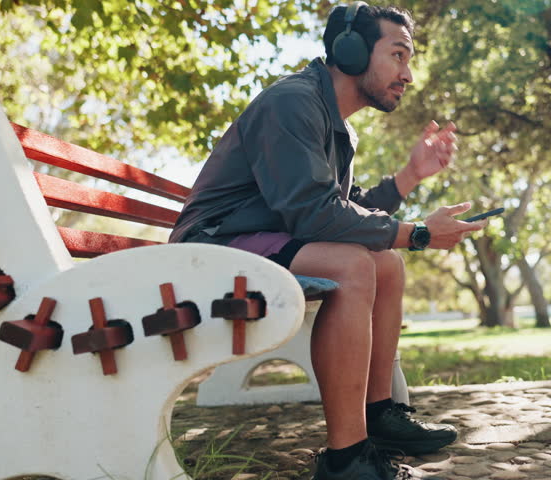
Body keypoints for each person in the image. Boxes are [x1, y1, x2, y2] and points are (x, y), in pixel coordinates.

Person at [170, 3, 486, 479]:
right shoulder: (292, 103)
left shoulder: (332, 121)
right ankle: (346, 460)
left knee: (386, 264)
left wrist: (409, 176)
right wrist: (418, 233)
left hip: (253, 243)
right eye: (398, 55)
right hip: (209, 249)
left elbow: (345, 208)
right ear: (351, 51)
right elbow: (315, 214)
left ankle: (379, 415)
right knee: (353, 265)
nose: (408, 74)